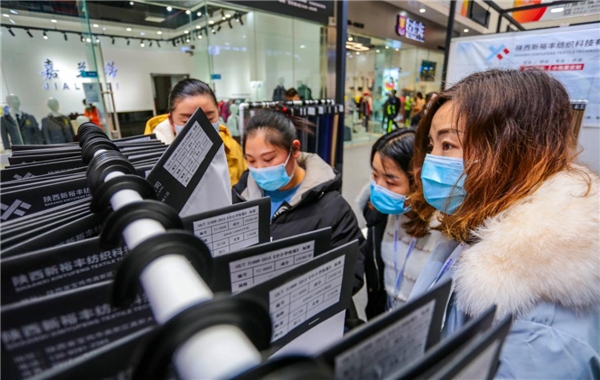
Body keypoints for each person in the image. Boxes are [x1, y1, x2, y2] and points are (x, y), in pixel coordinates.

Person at [408, 69, 599, 378]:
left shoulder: (547, 320)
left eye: (448, 146)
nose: (431, 161)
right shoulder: (472, 225)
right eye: (432, 146)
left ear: (510, 151)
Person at [232, 109, 365, 291]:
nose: (260, 169)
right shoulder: (241, 195)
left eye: (269, 159)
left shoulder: (333, 209)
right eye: (251, 161)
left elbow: (351, 275)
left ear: (294, 150)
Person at [357, 129, 443, 320]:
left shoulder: (442, 231)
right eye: (374, 175)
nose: (378, 188)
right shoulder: (379, 216)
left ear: (418, 181)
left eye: (390, 181)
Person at [145, 79, 246, 186]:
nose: (200, 128)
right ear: (171, 122)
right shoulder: (151, 160)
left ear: (218, 114)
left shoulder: (231, 149)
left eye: (209, 118)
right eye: (187, 122)